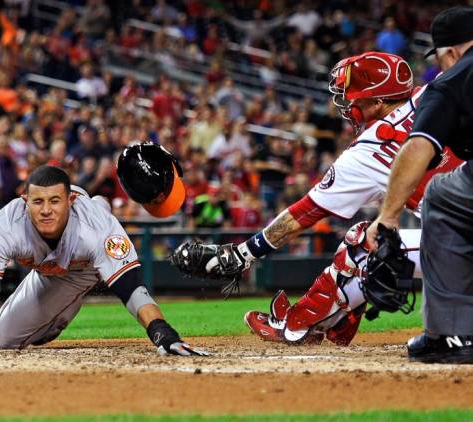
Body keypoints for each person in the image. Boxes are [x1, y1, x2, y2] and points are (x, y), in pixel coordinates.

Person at [171, 52, 461, 346]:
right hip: (459, 229)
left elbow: (304, 213)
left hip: (462, 241)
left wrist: (244, 253)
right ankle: (333, 318)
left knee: (363, 244)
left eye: (355, 99)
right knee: (371, 241)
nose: (349, 105)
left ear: (377, 102)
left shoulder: (367, 150)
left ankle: (298, 326)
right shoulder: (439, 90)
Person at [0, 165, 207, 357]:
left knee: (100, 247)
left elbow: (131, 288)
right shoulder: (4, 225)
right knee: (2, 337)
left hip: (84, 267)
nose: (45, 210)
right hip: (48, 269)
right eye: (37, 202)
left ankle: (99, 211)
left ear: (70, 201)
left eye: (54, 201)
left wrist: (161, 332)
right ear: (24, 201)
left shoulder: (97, 229)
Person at [366, 7, 473, 363]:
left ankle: (450, 332)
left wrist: (388, 217)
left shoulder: (454, 78)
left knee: (441, 194)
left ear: (452, 52)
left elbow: (418, 145)